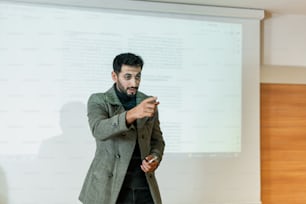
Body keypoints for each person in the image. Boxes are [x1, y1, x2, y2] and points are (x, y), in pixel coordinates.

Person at [79, 53, 165, 204]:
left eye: (138, 77)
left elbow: (157, 141)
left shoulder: (146, 101)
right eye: (128, 77)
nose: (134, 83)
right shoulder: (99, 100)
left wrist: (155, 158)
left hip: (144, 188)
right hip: (109, 188)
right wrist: (132, 114)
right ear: (114, 76)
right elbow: (99, 129)